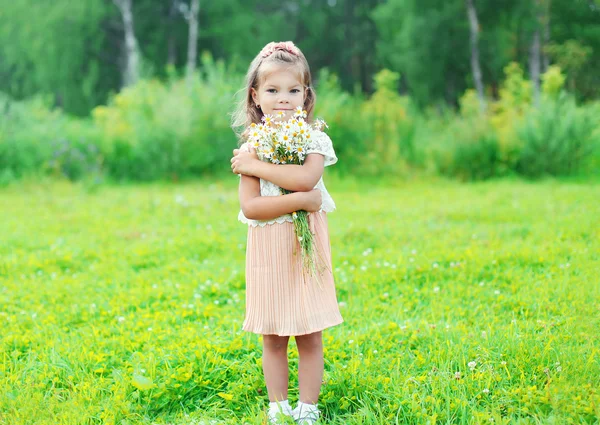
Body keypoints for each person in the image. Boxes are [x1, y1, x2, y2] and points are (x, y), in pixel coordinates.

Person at [230, 41, 343, 424]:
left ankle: (308, 408)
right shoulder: (252, 146)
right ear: (256, 96)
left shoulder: (313, 139)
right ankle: (278, 408)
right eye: (273, 91)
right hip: (269, 252)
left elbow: (307, 178)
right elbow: (252, 208)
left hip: (306, 249)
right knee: (274, 334)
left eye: (294, 90)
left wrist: (260, 169)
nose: (283, 100)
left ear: (306, 96)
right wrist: (301, 201)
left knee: (310, 331)